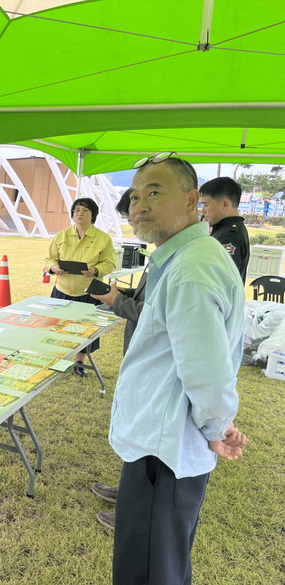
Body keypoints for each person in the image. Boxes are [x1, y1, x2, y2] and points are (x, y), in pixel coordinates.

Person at [109, 153, 247, 585]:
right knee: (163, 566)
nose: (140, 206)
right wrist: (218, 424)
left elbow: (207, 372)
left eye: (154, 192)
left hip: (163, 449)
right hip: (164, 441)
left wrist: (216, 427)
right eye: (135, 196)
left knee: (148, 571)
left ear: (191, 199)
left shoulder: (191, 269)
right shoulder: (188, 257)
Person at [88, 188, 147, 531]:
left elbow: (156, 315)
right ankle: (129, 494)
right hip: (141, 354)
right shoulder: (166, 254)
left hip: (155, 363)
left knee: (146, 437)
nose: (134, 224)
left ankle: (134, 512)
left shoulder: (186, 260)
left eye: (136, 216)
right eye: (129, 217)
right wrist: (122, 294)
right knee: (136, 432)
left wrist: (116, 300)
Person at [44, 197, 116, 376]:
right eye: (76, 210)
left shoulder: (103, 238)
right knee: (58, 327)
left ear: (93, 215)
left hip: (89, 291)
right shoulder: (62, 235)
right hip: (62, 290)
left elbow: (110, 263)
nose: (80, 213)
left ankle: (79, 362)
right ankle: (59, 359)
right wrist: (54, 268)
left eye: (85, 210)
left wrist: (95, 270)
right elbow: (50, 258)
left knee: (86, 329)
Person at [199, 176, 250, 281]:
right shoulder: (226, 230)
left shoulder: (229, 237)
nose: (202, 211)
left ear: (224, 204)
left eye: (205, 205)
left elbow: (219, 279)